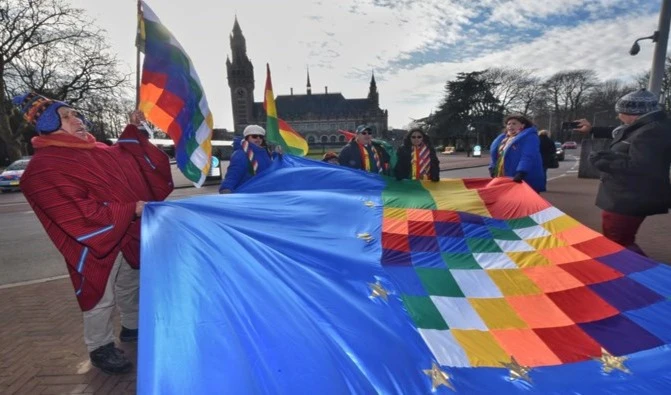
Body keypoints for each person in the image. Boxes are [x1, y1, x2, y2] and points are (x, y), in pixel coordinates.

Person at [13, 92, 173, 375]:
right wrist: (127, 209)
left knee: (130, 282)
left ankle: (132, 327)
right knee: (100, 296)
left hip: (124, 234)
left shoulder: (98, 149)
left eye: (75, 113)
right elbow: (76, 212)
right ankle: (99, 347)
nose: (78, 119)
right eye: (67, 116)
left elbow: (129, 162)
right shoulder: (43, 167)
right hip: (93, 242)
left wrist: (134, 130)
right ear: (50, 125)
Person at [574, 89, 671, 256]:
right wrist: (592, 130)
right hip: (631, 195)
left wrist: (603, 161)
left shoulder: (651, 132)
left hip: (629, 196)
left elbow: (642, 167)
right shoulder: (649, 126)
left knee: (618, 240)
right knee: (619, 238)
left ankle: (643, 276)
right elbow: (620, 132)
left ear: (634, 114)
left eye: (620, 113)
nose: (619, 117)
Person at [489, 114, 545, 192]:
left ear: (522, 125)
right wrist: (492, 167)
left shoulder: (530, 137)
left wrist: (521, 172)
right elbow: (497, 155)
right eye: (508, 124)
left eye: (514, 123)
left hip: (523, 176)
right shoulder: (503, 139)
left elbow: (528, 156)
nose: (510, 126)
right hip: (505, 176)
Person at [219, 125, 273, 193]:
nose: (258, 139)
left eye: (261, 137)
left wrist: (279, 154)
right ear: (247, 138)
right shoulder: (241, 154)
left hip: (264, 192)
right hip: (248, 194)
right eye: (254, 136)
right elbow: (233, 174)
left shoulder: (266, 153)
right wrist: (226, 188)